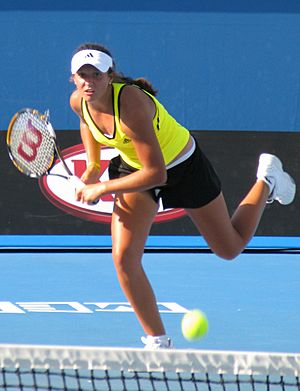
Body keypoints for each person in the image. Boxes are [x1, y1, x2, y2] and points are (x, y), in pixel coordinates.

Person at [69, 42, 296, 349]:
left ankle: (267, 179)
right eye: (82, 75)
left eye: (96, 74)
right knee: (124, 258)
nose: (88, 82)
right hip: (134, 168)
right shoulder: (79, 102)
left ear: (110, 75)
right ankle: (158, 342)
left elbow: (157, 173)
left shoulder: (132, 105)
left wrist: (101, 188)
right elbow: (88, 127)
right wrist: (93, 168)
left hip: (181, 165)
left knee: (229, 247)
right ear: (73, 77)